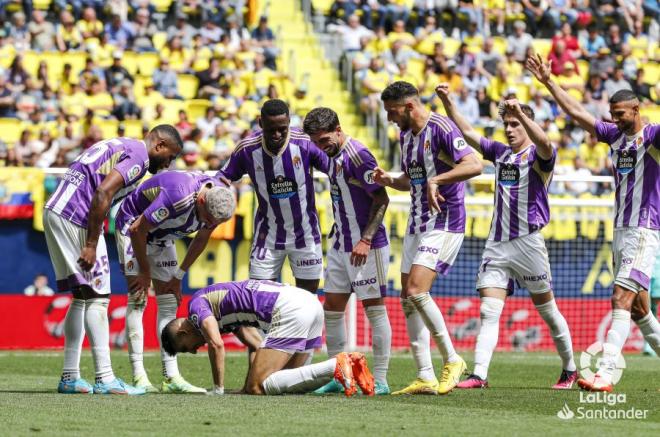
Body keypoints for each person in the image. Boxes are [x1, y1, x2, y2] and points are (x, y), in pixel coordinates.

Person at [526, 54, 660, 392]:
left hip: (643, 230)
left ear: (636, 110)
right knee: (640, 310)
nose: (614, 120)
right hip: (620, 231)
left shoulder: (654, 136)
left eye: (621, 115)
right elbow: (577, 113)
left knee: (620, 300)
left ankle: (605, 374)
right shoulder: (614, 137)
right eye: (612, 115)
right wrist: (548, 82)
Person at [437, 85, 578, 390]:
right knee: (489, 310)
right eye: (507, 125)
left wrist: (521, 113)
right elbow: (468, 131)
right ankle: (479, 375)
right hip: (497, 244)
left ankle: (570, 369)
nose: (510, 130)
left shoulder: (540, 157)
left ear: (527, 125)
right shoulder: (500, 153)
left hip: (528, 243)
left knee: (548, 311)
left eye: (515, 124)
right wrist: (448, 101)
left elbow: (544, 140)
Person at [43, 125, 182, 395]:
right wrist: (93, 243)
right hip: (77, 216)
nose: (168, 163)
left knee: (82, 296)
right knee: (98, 297)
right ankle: (104, 378)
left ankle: (70, 376)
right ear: (160, 146)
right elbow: (103, 193)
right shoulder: (139, 157)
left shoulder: (121, 144)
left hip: (55, 210)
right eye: (170, 156)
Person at [374, 81, 483, 395]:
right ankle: (424, 375)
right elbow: (412, 180)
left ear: (409, 106)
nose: (390, 118)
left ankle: (452, 359)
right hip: (416, 222)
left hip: (444, 221)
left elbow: (475, 164)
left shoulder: (441, 128)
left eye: (392, 112)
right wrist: (388, 179)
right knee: (407, 300)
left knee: (416, 290)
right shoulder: (405, 135)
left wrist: (438, 179)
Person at [115, 171, 236, 393]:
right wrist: (144, 271)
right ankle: (138, 376)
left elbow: (201, 239)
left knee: (169, 300)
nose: (209, 225)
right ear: (201, 200)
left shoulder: (219, 200)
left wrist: (178, 276)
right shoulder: (178, 196)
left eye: (214, 223)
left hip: (162, 235)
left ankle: (170, 377)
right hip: (133, 228)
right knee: (138, 297)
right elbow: (137, 230)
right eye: (207, 220)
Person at [302, 107, 392, 395]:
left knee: (374, 309)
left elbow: (382, 199)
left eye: (324, 139)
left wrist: (365, 240)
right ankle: (340, 376)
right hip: (340, 244)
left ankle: (380, 380)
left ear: (338, 129)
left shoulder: (359, 156)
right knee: (332, 309)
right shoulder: (332, 156)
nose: (321, 146)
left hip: (365, 247)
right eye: (316, 142)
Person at [161, 279, 375, 396]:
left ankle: (336, 364)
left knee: (259, 387)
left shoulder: (196, 308)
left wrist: (219, 390)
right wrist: (245, 388)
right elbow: (255, 344)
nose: (192, 350)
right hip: (308, 303)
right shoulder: (224, 315)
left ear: (183, 332)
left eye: (185, 347)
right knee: (286, 385)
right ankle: (348, 367)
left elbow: (216, 344)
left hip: (290, 310)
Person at [217, 99, 329, 293]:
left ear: (289, 122)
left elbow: (335, 168)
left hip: (306, 234)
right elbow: (223, 177)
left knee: (308, 301)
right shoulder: (247, 149)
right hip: (267, 237)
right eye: (271, 130)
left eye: (282, 129)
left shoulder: (305, 143)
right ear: (261, 123)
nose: (277, 135)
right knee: (259, 300)